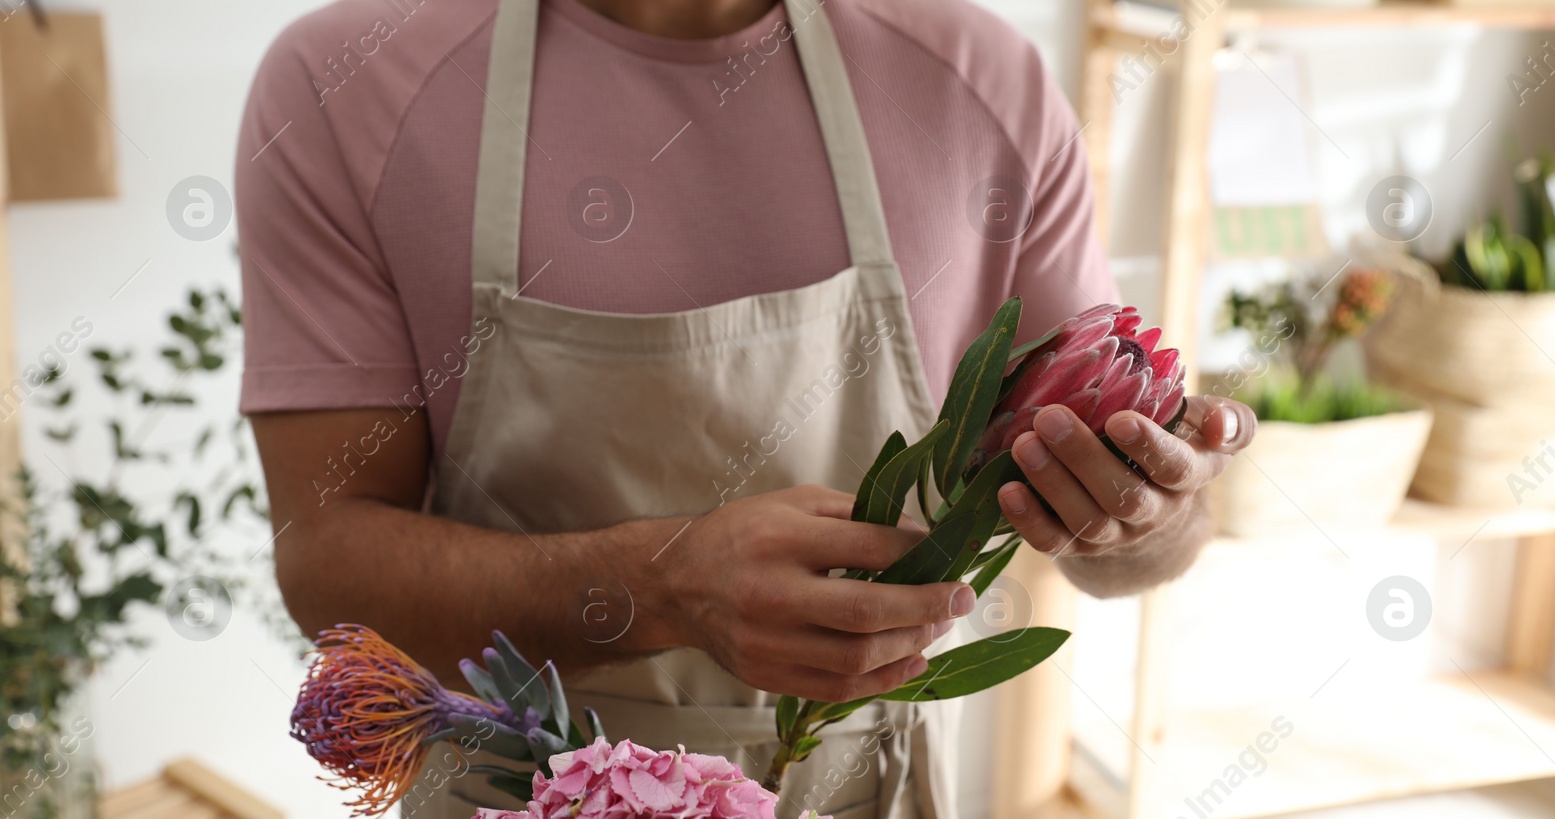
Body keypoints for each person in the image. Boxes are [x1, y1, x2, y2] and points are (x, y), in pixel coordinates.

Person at [237, 0, 1257, 815]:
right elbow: (326, 562)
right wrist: (662, 587)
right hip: (510, 792)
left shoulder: (983, 80)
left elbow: (1132, 553)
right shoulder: (346, 82)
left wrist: (1154, 506)